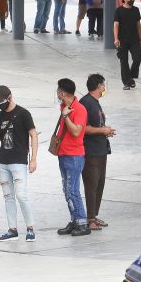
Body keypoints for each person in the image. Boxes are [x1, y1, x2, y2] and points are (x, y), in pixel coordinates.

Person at [0, 85, 38, 243]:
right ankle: (12, 229)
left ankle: (30, 228)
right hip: (2, 161)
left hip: (18, 161)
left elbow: (33, 135)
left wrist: (33, 159)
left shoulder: (23, 113)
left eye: (2, 102)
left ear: (10, 97)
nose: (0, 105)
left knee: (21, 195)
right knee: (8, 196)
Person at [54, 78, 90, 237]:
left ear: (62, 93)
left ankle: (82, 222)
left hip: (74, 155)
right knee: (66, 189)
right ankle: (75, 219)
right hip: (63, 154)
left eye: (58, 92)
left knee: (73, 189)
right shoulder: (65, 106)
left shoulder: (79, 109)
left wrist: (66, 117)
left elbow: (76, 132)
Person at [80, 75, 115, 232]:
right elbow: (83, 127)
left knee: (100, 183)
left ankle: (94, 214)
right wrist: (102, 130)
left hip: (101, 149)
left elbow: (96, 124)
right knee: (91, 184)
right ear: (99, 86)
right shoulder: (86, 103)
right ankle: (90, 218)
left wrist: (105, 131)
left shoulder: (95, 103)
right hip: (91, 151)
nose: (104, 88)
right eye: (103, 85)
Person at [114, 0, 141, 89]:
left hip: (134, 39)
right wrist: (116, 38)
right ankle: (127, 82)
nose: (132, 0)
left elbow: (138, 25)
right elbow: (116, 25)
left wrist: (140, 39)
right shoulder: (119, 10)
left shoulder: (136, 10)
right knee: (124, 62)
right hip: (122, 40)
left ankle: (130, 77)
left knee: (137, 58)